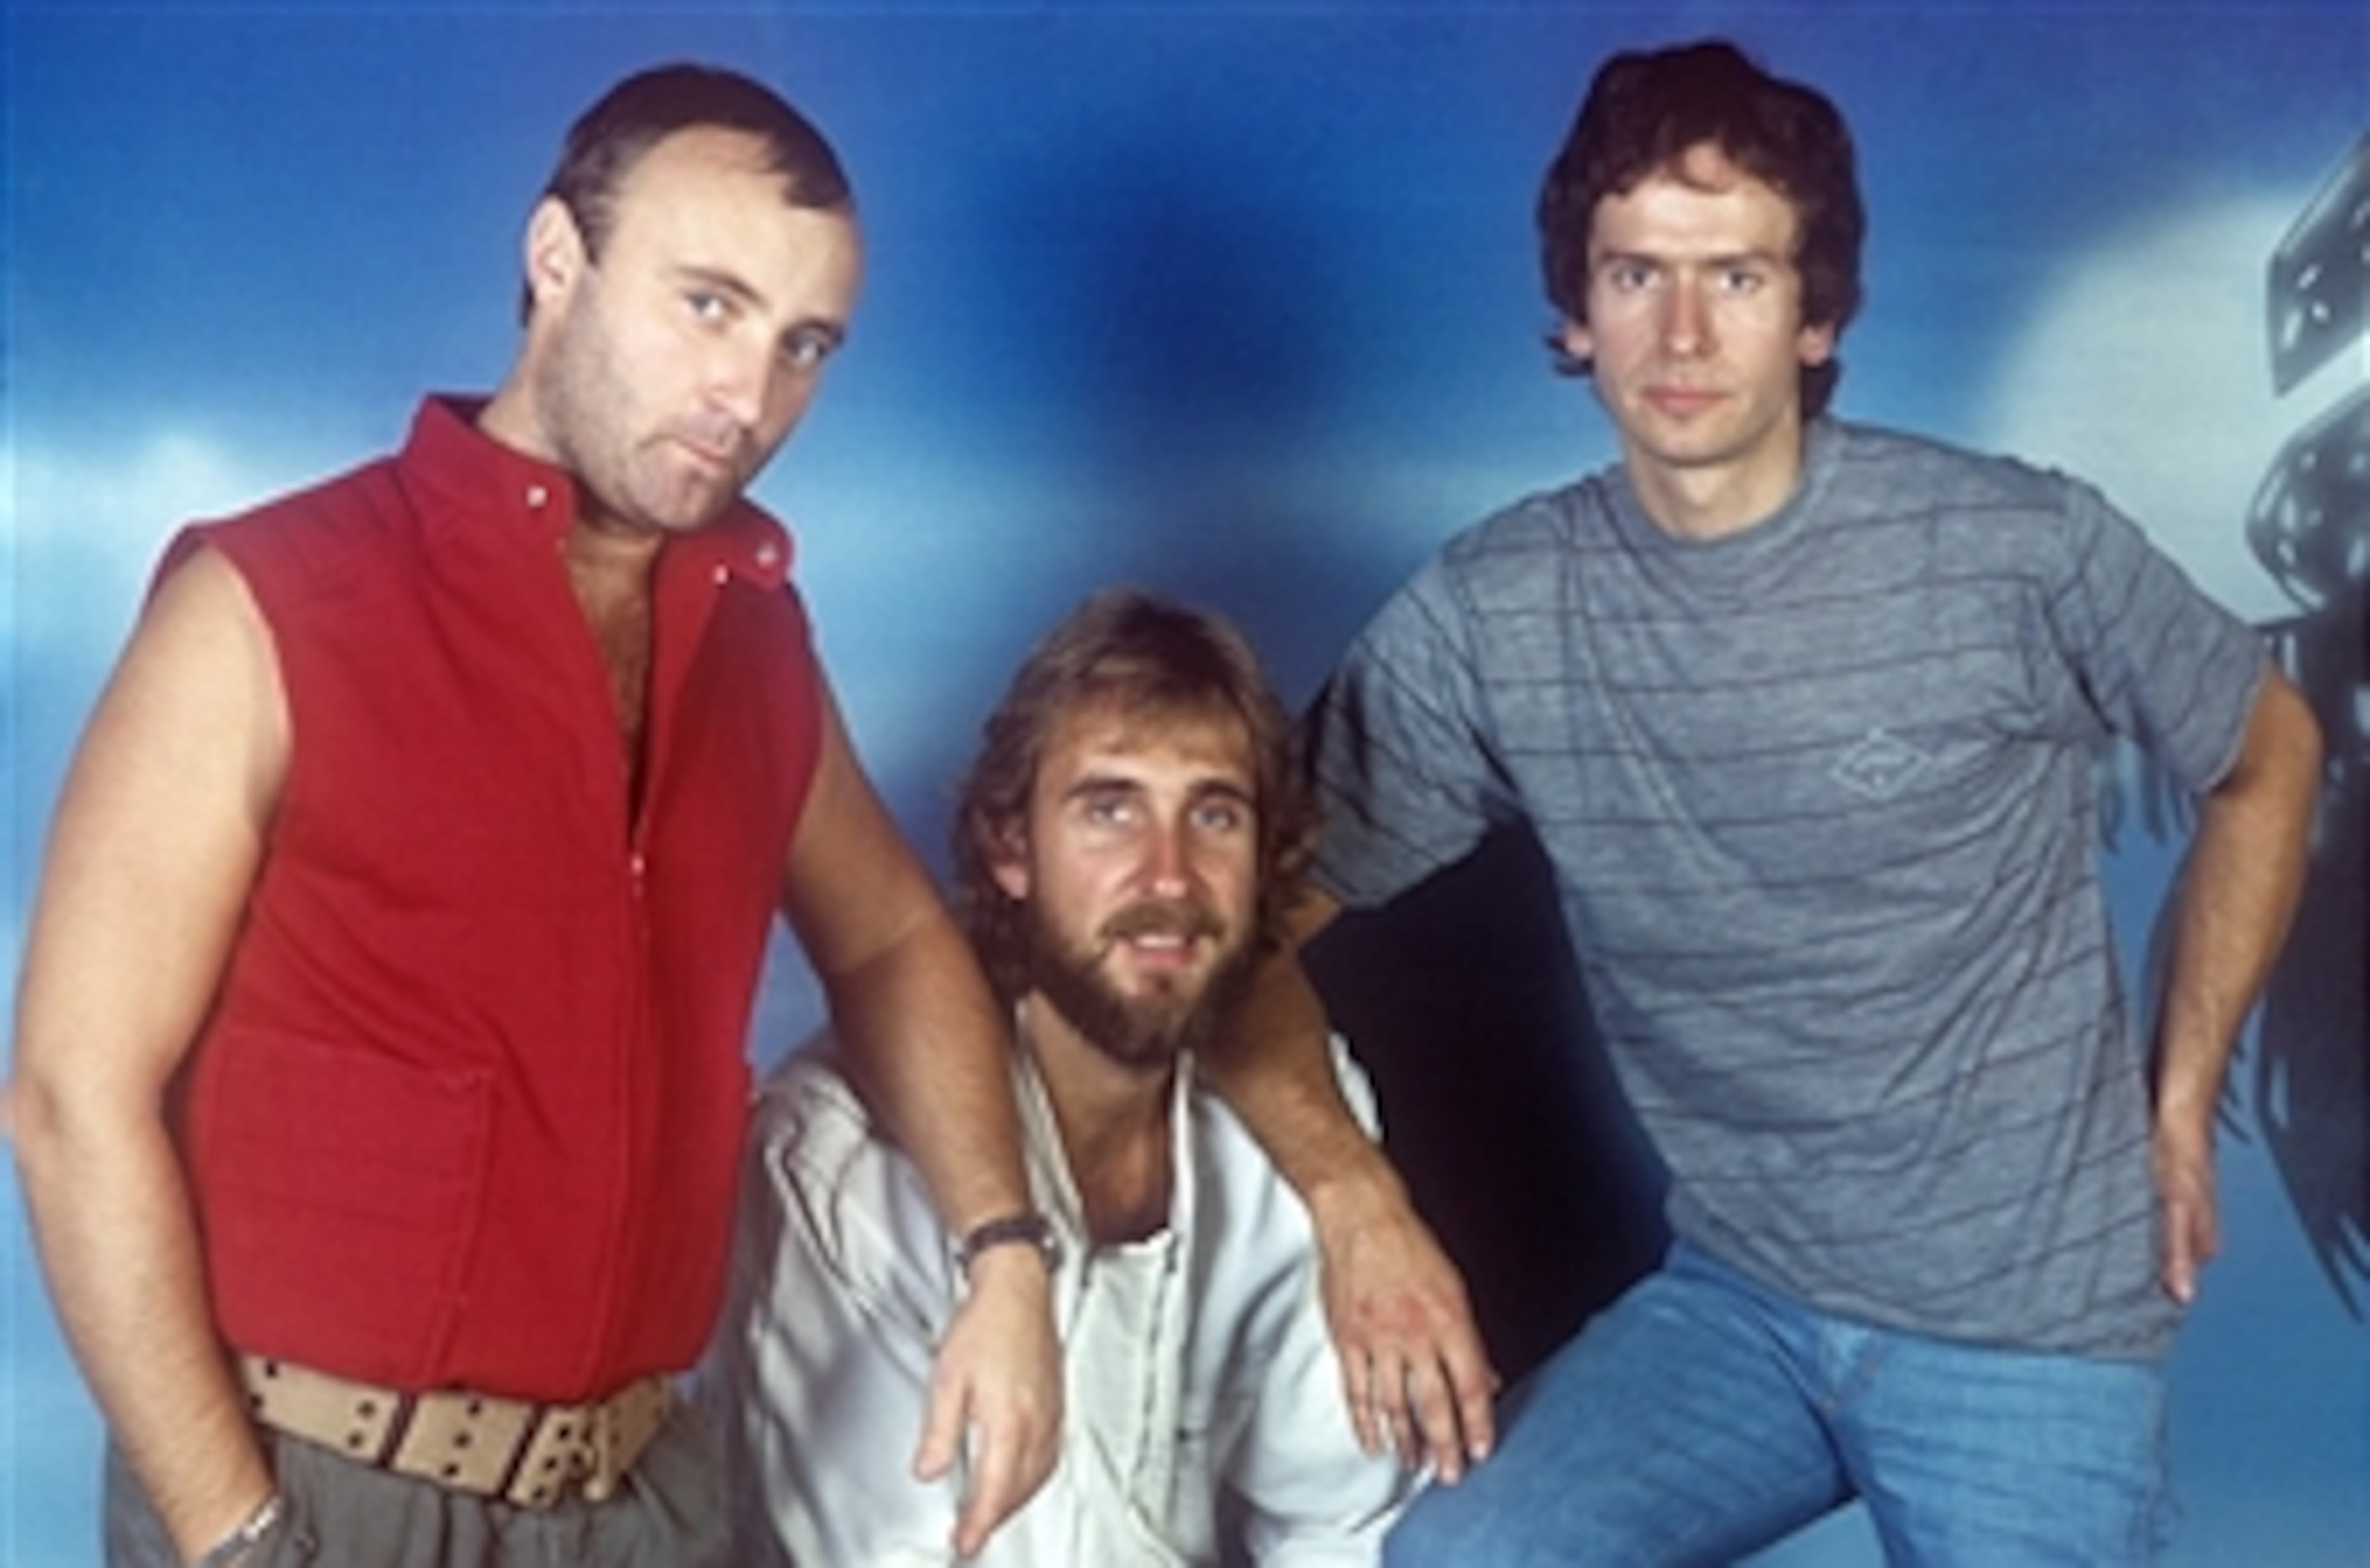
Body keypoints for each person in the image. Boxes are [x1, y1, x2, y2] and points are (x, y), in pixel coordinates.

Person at [1210, 38, 2325, 1564]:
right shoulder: (1496, 611)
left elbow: (2268, 750)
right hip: (1741, 1302)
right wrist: (1357, 1201)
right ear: (1575, 313)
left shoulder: (2013, 549)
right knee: (1450, 1558)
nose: (1679, 331)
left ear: (1818, 314)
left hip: (2028, 1324)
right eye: (1632, 275)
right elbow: (1232, 924)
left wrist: (2183, 1097)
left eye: (1735, 276)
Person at [10, 64, 1062, 1568]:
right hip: (310, 1493)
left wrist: (1004, 1251)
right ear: (556, 258)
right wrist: (232, 1535)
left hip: (646, 1495)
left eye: (804, 344)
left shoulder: (757, 640)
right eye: (709, 304)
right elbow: (69, 1093)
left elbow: (893, 933)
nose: (749, 398)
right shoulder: (266, 602)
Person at [701, 589, 1424, 1565]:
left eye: (1214, 814)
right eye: (1109, 808)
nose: (1167, 876)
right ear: (1012, 849)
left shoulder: (1300, 1129)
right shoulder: (839, 1161)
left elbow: (1345, 1525)